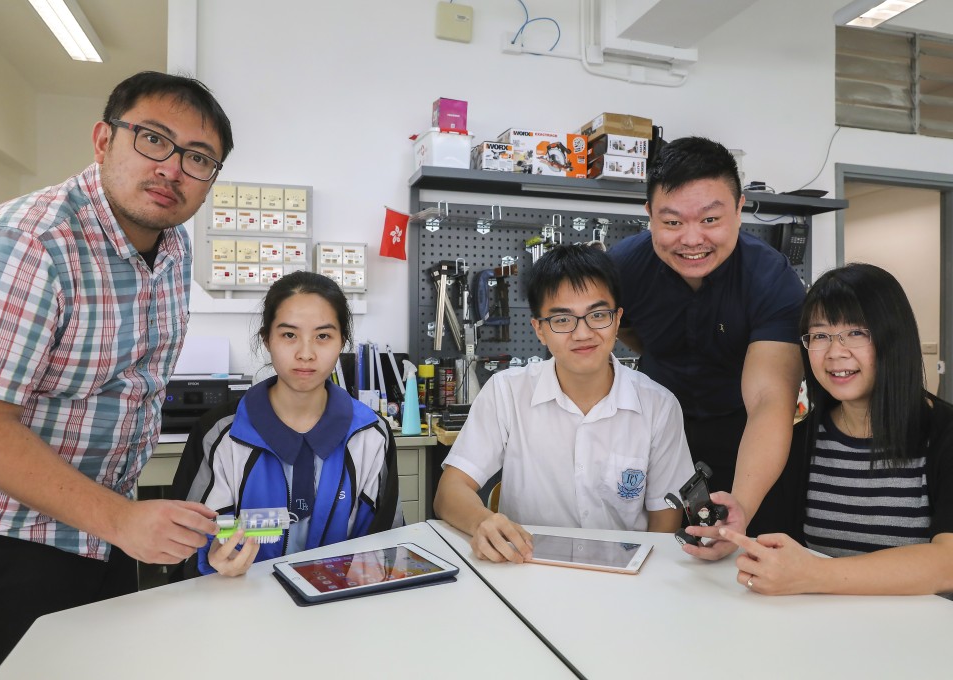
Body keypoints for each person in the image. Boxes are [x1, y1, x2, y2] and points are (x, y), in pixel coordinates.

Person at [0, 71, 234, 667]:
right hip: (16, 541)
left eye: (198, 158)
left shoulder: (173, 248)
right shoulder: (33, 242)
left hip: (108, 533)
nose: (172, 168)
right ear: (104, 140)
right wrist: (122, 518)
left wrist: (128, 523)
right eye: (153, 139)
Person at [716, 263, 953, 621]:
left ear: (894, 337)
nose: (835, 352)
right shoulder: (799, 442)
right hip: (825, 632)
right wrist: (728, 533)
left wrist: (811, 574)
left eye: (856, 333)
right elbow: (772, 549)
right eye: (820, 335)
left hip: (936, 642)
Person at [434, 244, 695, 563]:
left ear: (617, 320)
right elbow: (450, 490)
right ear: (539, 329)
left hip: (623, 582)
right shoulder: (507, 392)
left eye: (598, 315)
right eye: (562, 320)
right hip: (526, 571)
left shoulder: (659, 406)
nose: (582, 333)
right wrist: (482, 521)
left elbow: (664, 523)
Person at [608, 136, 804, 557]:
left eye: (711, 220)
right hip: (655, 437)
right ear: (649, 215)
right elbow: (621, 331)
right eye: (673, 222)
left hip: (747, 439)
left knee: (748, 566)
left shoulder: (770, 278)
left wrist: (743, 506)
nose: (691, 240)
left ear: (739, 209)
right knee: (650, 563)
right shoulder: (621, 268)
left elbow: (771, 399)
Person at [182, 271, 402, 577]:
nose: (306, 353)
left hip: (342, 611)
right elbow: (182, 552)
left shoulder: (371, 435)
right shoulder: (220, 435)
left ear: (342, 343)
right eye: (289, 335)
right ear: (267, 340)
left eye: (323, 336)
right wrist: (210, 560)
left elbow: (386, 547)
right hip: (237, 608)